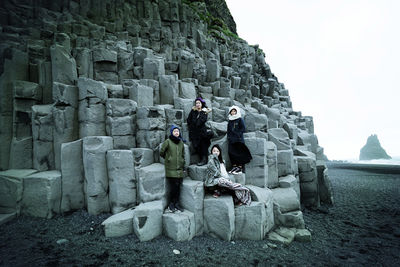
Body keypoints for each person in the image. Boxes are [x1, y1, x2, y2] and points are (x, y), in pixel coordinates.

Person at [160, 125, 185, 212]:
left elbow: (183, 155)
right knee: (173, 187)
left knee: (178, 188)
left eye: (177, 131)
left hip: (179, 169)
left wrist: (183, 163)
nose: (176, 132)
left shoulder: (181, 143)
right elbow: (161, 152)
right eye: (174, 131)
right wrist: (168, 158)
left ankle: (176, 204)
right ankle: (171, 203)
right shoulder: (168, 141)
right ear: (171, 132)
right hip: (171, 168)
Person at [227, 105, 252, 174]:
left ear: (237, 112)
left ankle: (240, 167)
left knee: (239, 153)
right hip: (231, 140)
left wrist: (238, 134)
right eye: (232, 111)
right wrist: (229, 137)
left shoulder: (240, 119)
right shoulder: (230, 120)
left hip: (239, 139)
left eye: (234, 111)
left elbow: (243, 128)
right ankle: (234, 166)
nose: (233, 112)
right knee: (231, 152)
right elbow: (228, 130)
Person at [187, 97, 212, 166]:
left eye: (199, 103)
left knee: (203, 144)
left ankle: (204, 159)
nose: (197, 104)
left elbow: (201, 121)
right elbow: (189, 120)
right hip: (194, 132)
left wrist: (195, 121)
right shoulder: (193, 111)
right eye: (196, 103)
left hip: (202, 132)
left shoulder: (204, 112)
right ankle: (201, 159)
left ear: (202, 104)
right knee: (196, 146)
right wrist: (192, 125)